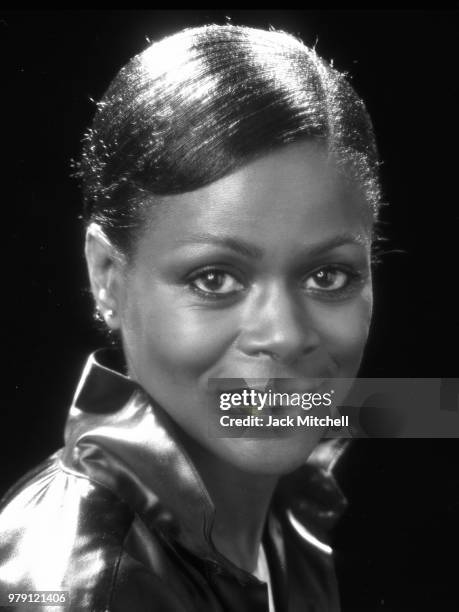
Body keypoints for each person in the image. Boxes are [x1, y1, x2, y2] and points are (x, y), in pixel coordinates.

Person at [0, 24, 381, 611]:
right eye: (215, 279)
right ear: (106, 275)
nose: (283, 334)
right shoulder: (78, 587)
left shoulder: (284, 510)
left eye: (327, 276)